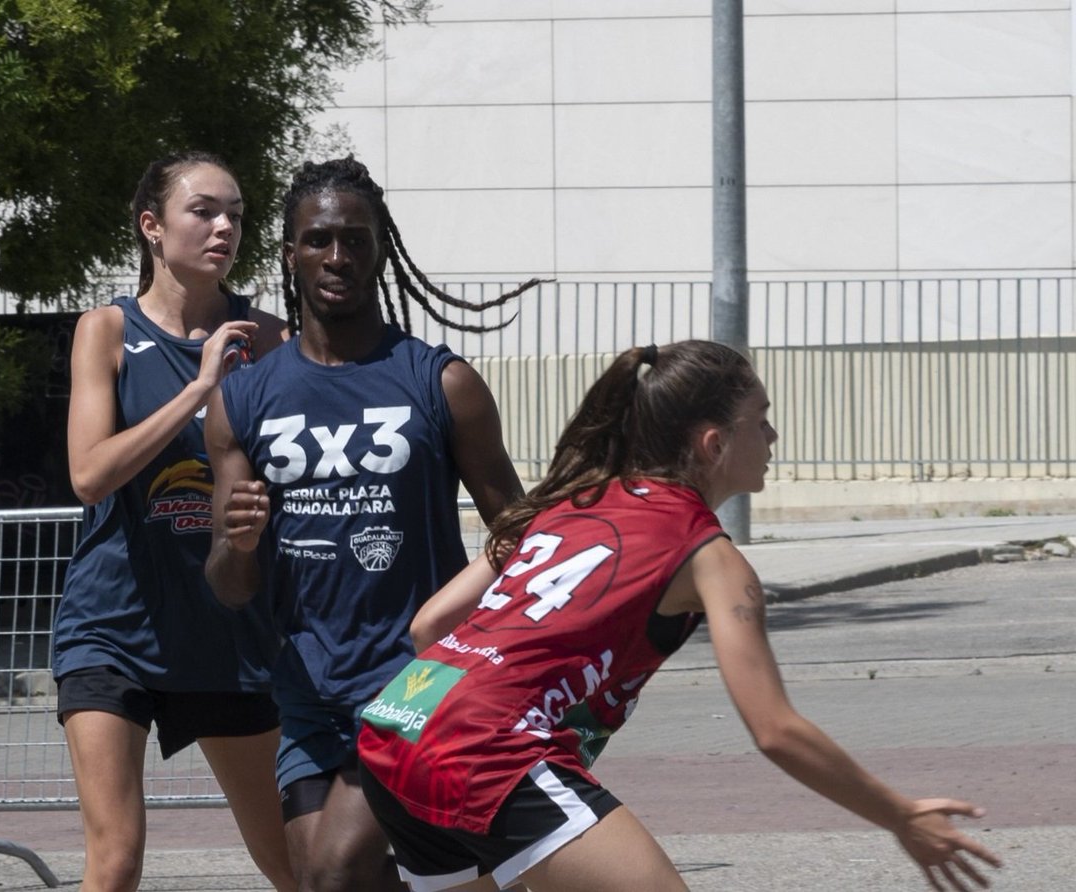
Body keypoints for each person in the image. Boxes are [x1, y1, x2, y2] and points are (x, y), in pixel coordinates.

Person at [355, 340, 1004, 892]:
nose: (773, 436)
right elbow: (775, 729)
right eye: (762, 420)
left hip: (397, 725)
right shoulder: (709, 555)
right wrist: (897, 813)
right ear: (714, 443)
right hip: (487, 747)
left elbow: (430, 627)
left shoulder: (570, 501)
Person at [204, 156, 543, 892]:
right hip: (306, 694)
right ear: (289, 254)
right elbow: (230, 586)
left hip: (416, 681)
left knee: (334, 871)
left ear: (379, 249)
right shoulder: (244, 400)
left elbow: (519, 539)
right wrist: (238, 540)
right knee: (333, 882)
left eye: (355, 240)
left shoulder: (440, 382)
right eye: (319, 240)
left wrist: (482, 646)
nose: (338, 257)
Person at [52, 151, 294, 891]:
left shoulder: (272, 338)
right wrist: (198, 390)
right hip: (112, 626)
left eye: (238, 214)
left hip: (226, 630)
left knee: (298, 865)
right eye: (205, 211)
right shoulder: (105, 329)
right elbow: (89, 473)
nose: (225, 227)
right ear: (152, 226)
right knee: (116, 861)